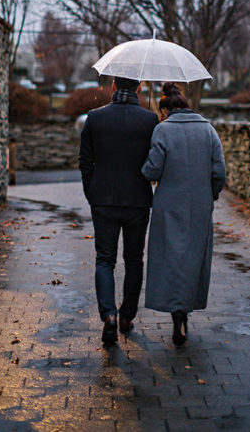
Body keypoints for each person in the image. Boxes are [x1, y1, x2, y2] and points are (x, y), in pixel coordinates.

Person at [141, 82, 226, 345]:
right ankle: (184, 310)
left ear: (166, 110)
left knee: (171, 256)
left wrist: (145, 166)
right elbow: (219, 172)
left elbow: (152, 170)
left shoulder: (162, 130)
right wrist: (209, 195)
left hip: (169, 204)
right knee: (193, 256)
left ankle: (176, 312)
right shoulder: (208, 130)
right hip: (200, 203)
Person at [78, 76, 158, 346]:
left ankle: (108, 315)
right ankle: (126, 316)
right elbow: (154, 161)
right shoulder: (149, 120)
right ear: (139, 87)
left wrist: (92, 191)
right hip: (137, 199)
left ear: (113, 86)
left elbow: (85, 160)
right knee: (135, 260)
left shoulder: (94, 117)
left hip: (103, 199)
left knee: (105, 259)